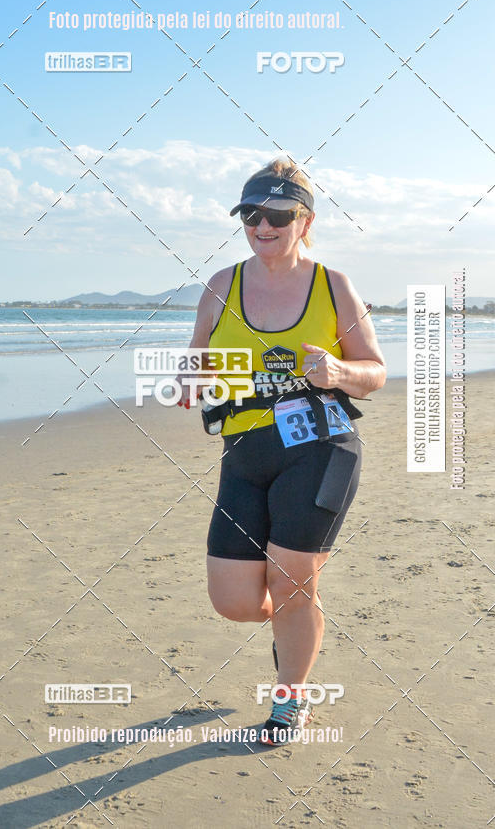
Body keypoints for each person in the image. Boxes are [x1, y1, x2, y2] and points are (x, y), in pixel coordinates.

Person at [177, 156, 386, 745]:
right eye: (251, 215)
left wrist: (339, 371)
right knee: (236, 602)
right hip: (245, 453)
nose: (262, 226)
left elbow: (375, 371)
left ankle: (291, 697)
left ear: (305, 221)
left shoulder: (333, 285)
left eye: (278, 215)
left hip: (320, 447)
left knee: (292, 582)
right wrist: (191, 376)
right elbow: (198, 353)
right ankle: (295, 620)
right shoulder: (221, 285)